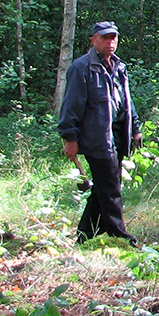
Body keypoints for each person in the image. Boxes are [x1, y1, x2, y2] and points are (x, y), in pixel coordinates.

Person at [59, 20, 143, 245]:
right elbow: (72, 105)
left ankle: (85, 236)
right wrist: (70, 138)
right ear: (93, 40)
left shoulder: (119, 66)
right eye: (105, 37)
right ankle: (120, 235)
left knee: (103, 188)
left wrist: (135, 129)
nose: (110, 42)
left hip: (117, 135)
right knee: (111, 189)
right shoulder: (82, 67)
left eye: (113, 37)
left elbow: (127, 101)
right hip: (96, 138)